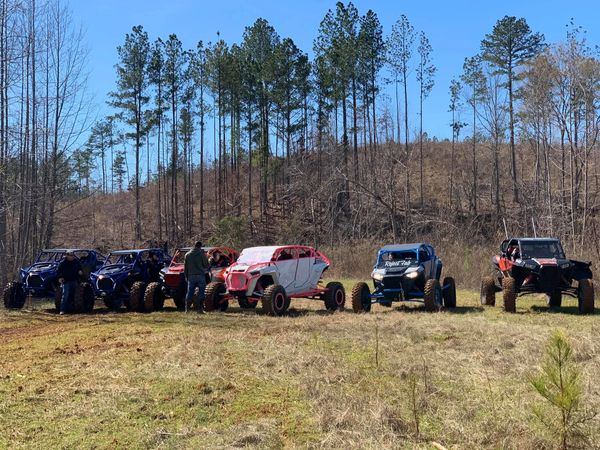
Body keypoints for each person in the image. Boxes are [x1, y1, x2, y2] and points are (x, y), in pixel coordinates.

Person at [184, 241, 210, 313]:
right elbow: (206, 265)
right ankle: (200, 309)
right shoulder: (201, 254)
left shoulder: (187, 254)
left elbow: (185, 267)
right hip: (200, 275)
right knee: (201, 292)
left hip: (191, 276)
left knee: (189, 292)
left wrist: (186, 276)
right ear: (200, 246)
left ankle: (187, 309)